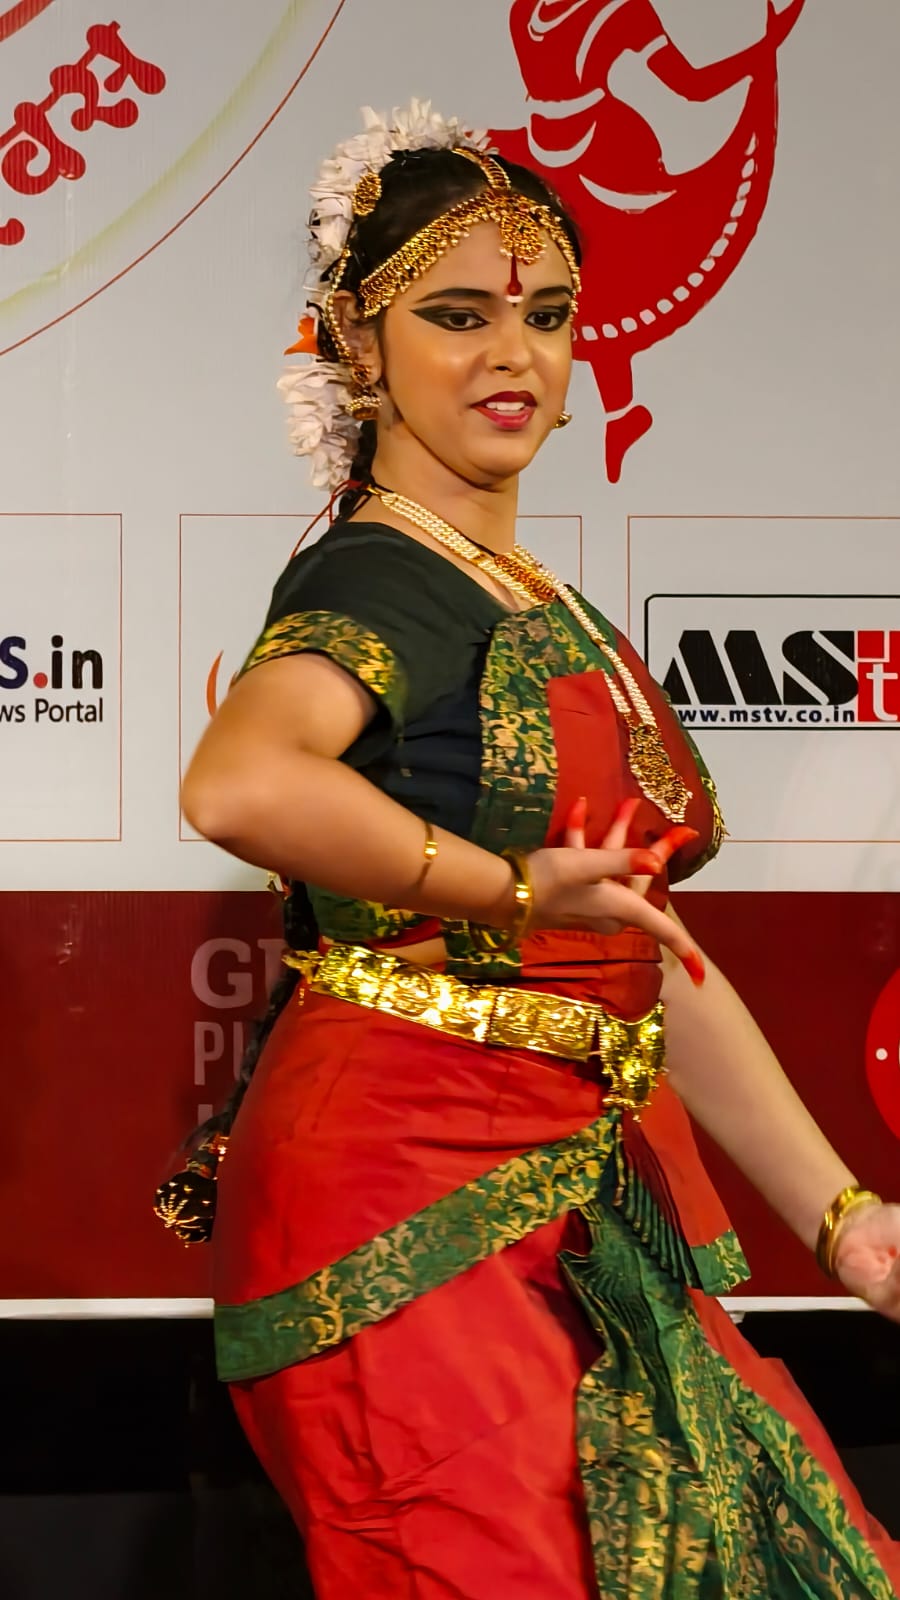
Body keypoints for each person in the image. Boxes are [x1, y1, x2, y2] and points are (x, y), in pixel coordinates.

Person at [164, 102, 900, 1599]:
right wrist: (502, 885)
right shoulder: (383, 574)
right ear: (358, 346)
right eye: (457, 316)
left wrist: (845, 1223)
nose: (515, 354)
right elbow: (239, 782)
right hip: (398, 1203)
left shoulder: (532, 597)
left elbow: (645, 954)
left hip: (570, 1195)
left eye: (547, 316)